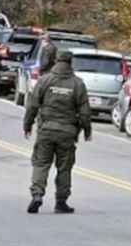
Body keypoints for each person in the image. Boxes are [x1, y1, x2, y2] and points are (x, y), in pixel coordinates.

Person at [23, 50, 92, 214]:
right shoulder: (78, 84)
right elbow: (84, 111)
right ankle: (61, 201)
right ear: (71, 62)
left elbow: (32, 105)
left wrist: (27, 125)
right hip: (67, 132)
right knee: (64, 167)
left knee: (41, 163)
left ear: (56, 61)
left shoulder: (45, 80)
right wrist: (87, 130)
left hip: (46, 129)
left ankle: (37, 194)